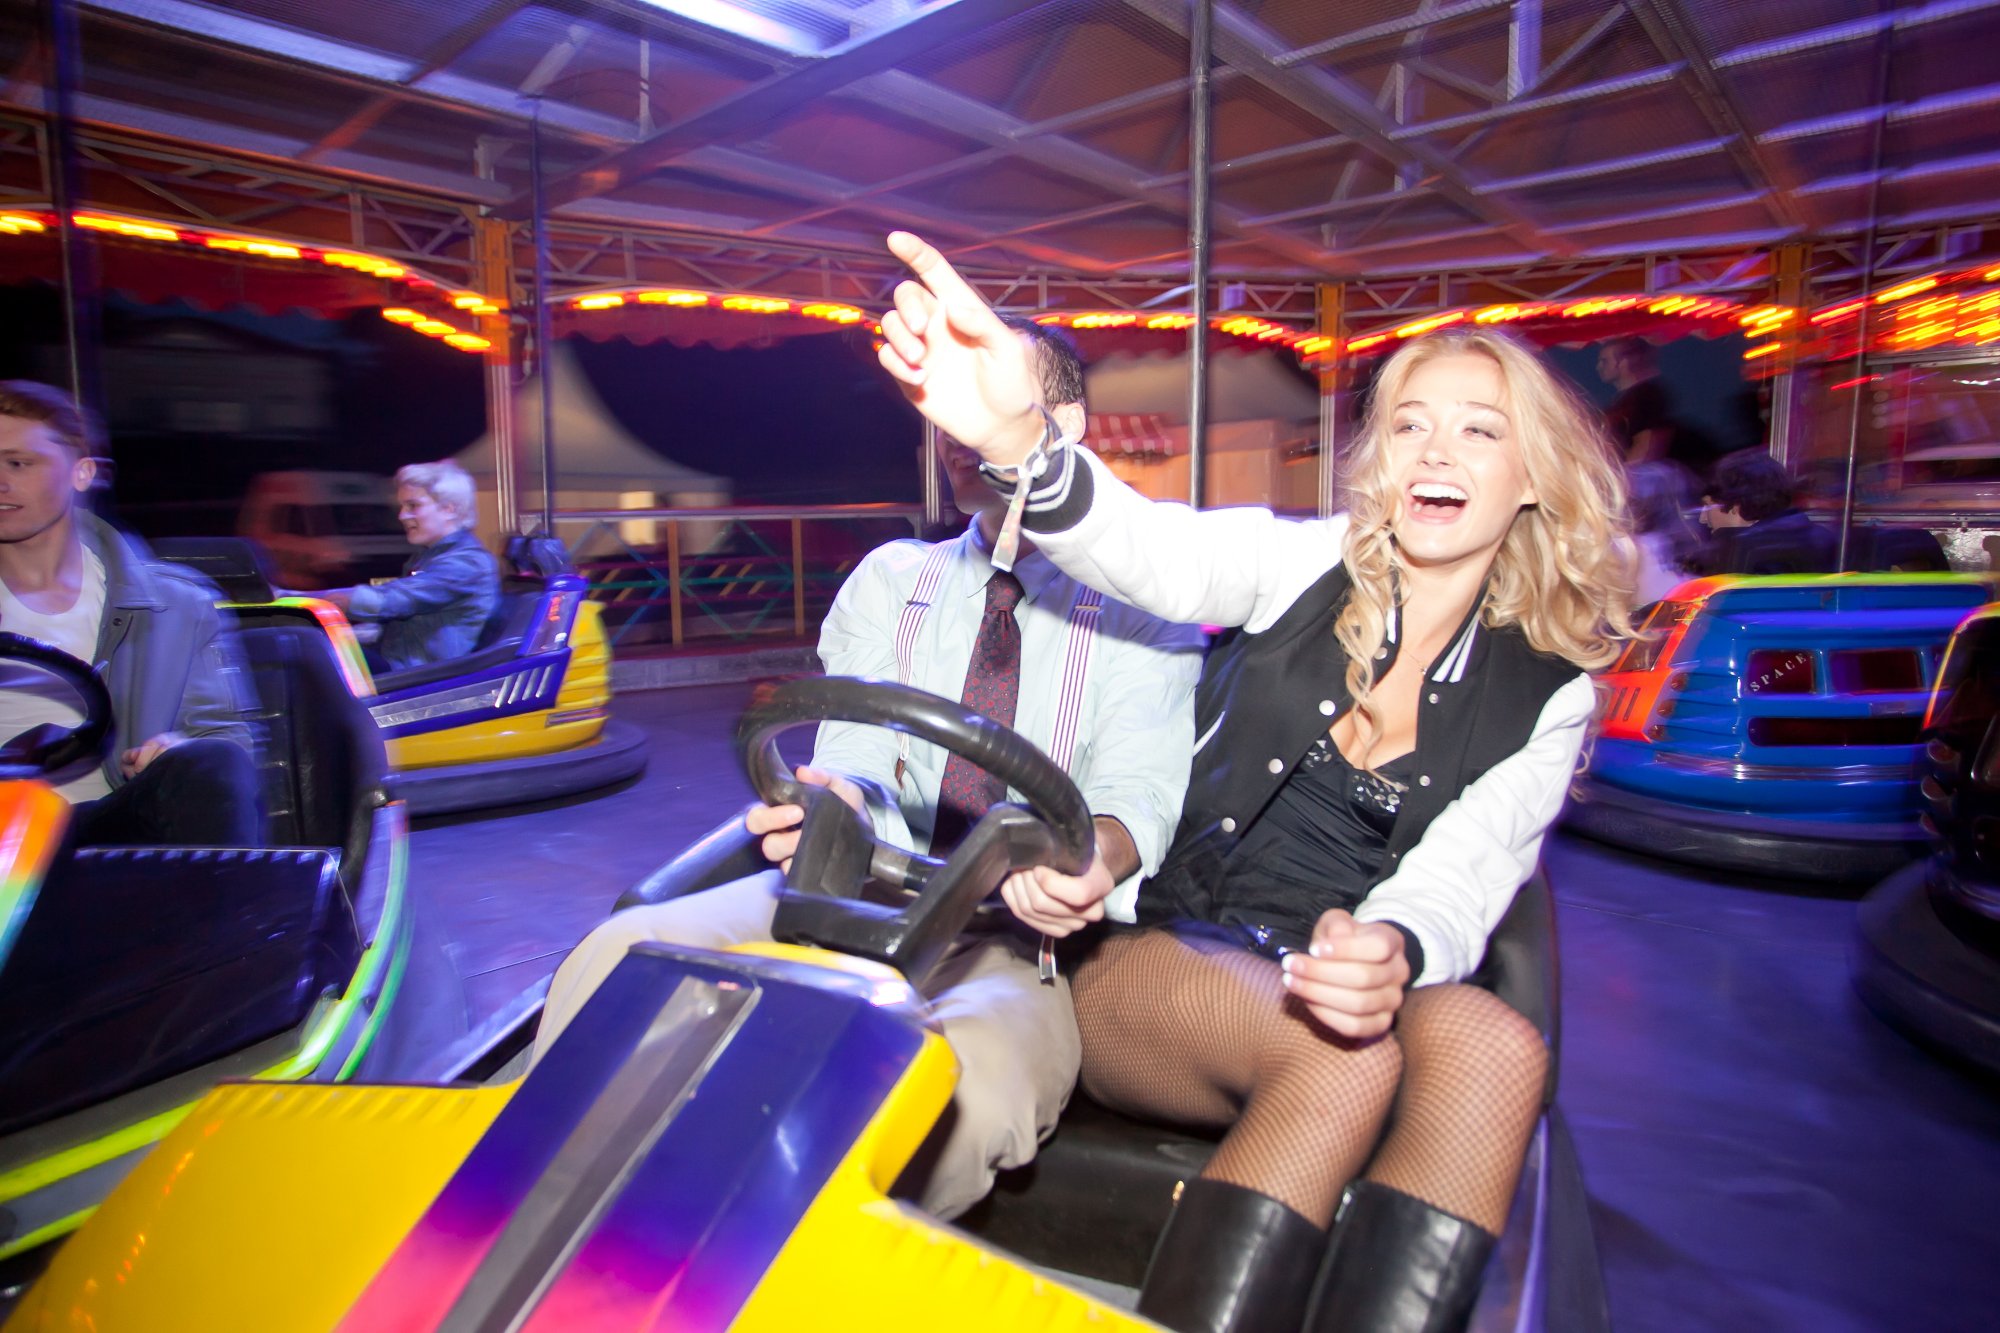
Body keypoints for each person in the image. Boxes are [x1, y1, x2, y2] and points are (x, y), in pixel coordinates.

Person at [876, 232, 1636, 1333]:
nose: (1437, 451)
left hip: (1334, 967)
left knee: (1496, 1047)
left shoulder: (1546, 688)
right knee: (1335, 1059)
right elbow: (1147, 551)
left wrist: (1393, 949)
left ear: (1530, 478)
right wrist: (1019, 443)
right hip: (1165, 952)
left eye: (1480, 430)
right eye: (1410, 424)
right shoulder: (1301, 563)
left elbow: (1467, 876)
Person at [535, 316, 1204, 1222]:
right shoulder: (893, 579)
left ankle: (800, 1259)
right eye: (948, 412)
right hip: (859, 891)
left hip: (1008, 936)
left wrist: (1090, 861)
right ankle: (555, 1214)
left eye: (990, 403)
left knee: (974, 1093)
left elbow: (1136, 795)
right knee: (618, 955)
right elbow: (849, 749)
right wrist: (828, 805)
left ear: (1067, 425)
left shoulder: (1143, 604)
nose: (961, 434)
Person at [0, 382, 260, 847]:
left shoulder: (176, 605)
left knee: (211, 764)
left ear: (81, 472)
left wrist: (177, 749)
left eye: (17, 463)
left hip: (107, 835)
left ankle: (226, 894)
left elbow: (227, 737)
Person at [321, 460, 497, 673]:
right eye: (403, 506)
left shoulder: (466, 563)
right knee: (311, 649)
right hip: (399, 662)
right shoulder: (429, 556)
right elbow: (401, 621)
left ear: (448, 509)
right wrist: (350, 633)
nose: (402, 516)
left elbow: (391, 600)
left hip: (423, 677)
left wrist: (312, 602)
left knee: (308, 656)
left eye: (413, 506)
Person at [1697, 449, 1836, 575]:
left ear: (1734, 505)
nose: (1702, 518)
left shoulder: (1739, 548)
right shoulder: (1822, 537)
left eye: (1708, 506)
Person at [1598, 335, 1712, 475]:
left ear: (1624, 362)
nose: (1598, 367)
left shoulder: (1645, 396)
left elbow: (1649, 445)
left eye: (1604, 361)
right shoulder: (1623, 400)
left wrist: (1622, 477)